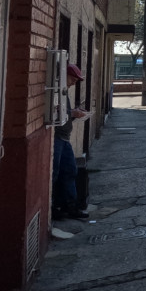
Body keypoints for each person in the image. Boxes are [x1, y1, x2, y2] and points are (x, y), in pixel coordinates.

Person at [53, 63, 89, 220]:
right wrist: (72, 113)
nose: (74, 82)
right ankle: (56, 207)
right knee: (55, 174)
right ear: (64, 75)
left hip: (64, 138)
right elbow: (55, 113)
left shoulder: (63, 92)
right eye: (73, 79)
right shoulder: (55, 92)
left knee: (70, 171)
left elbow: (63, 113)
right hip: (56, 138)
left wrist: (74, 113)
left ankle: (70, 206)